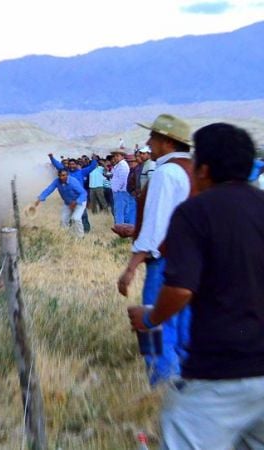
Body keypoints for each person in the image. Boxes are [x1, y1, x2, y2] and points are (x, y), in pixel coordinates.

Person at [127, 123, 264, 449]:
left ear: (204, 168)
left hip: (221, 373)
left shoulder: (195, 213)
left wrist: (149, 319)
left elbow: (180, 290)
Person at [118, 113, 194, 386]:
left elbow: (156, 226)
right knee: (184, 327)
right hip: (192, 262)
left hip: (165, 262)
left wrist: (131, 265)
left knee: (154, 322)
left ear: (166, 142)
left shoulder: (165, 173)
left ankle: (161, 384)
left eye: (154, 137)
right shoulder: (195, 171)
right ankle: (185, 382)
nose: (149, 142)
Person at [33, 169, 87, 238]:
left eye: (64, 175)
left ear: (67, 175)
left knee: (75, 218)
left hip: (80, 202)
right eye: (60, 176)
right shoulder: (57, 181)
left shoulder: (73, 182)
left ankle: (80, 237)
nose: (62, 177)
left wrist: (76, 202)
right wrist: (40, 198)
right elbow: (49, 189)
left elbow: (83, 193)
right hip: (68, 203)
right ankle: (65, 237)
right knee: (63, 220)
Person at [109, 149, 134, 225]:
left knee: (119, 212)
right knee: (123, 211)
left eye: (117, 156)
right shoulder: (118, 165)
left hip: (120, 192)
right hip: (119, 191)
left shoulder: (123, 166)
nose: (115, 157)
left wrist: (116, 189)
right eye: (115, 156)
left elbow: (123, 179)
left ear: (122, 156)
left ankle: (120, 228)